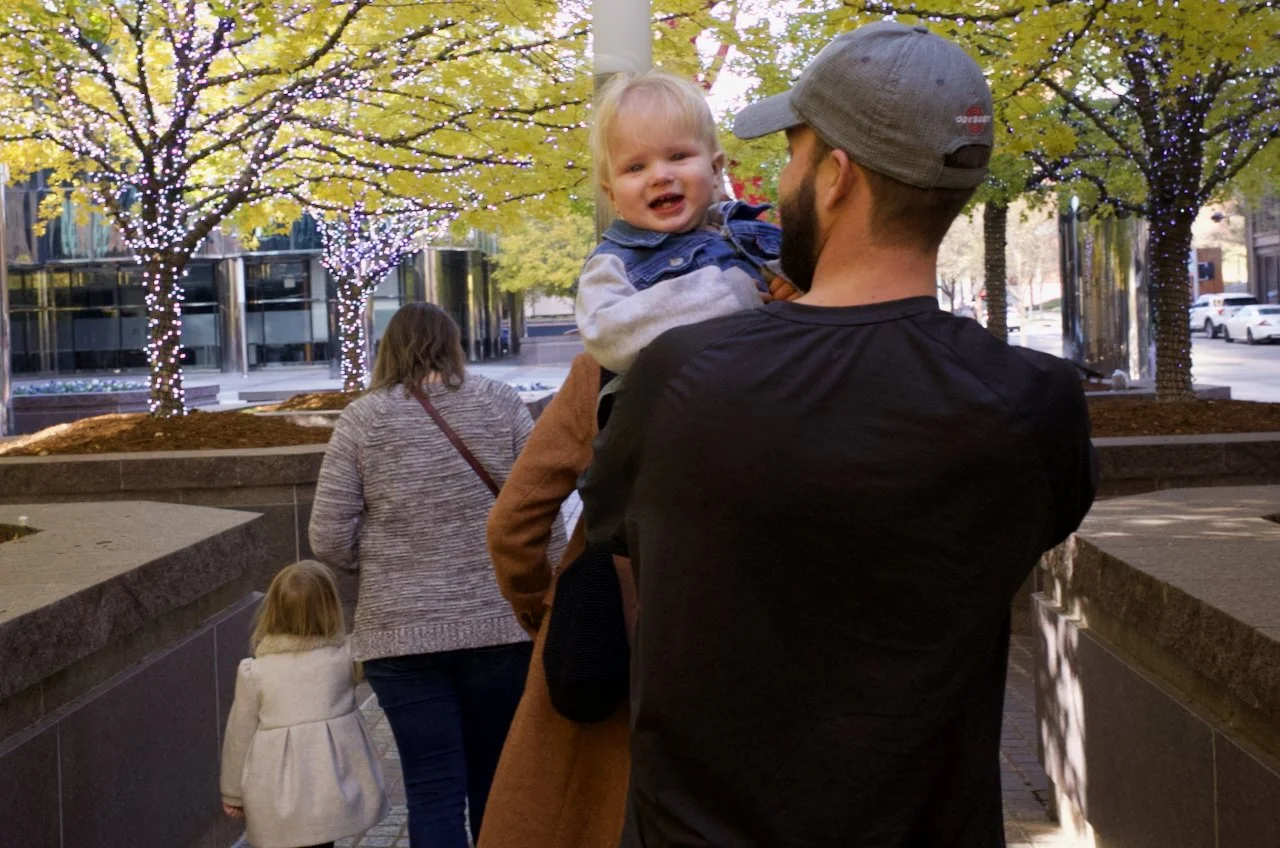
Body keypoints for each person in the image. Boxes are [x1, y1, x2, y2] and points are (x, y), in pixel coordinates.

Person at [581, 21, 1098, 847]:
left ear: (835, 178)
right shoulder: (1036, 404)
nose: (772, 180)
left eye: (789, 155)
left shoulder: (681, 377)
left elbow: (609, 535)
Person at [309, 302, 536, 848]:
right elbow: (539, 508)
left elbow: (327, 533)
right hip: (499, 627)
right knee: (495, 780)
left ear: (387, 350)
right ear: (453, 344)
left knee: (432, 787)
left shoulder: (362, 419)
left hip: (399, 634)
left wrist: (393, 564)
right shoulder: (502, 403)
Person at [477, 352, 636, 848]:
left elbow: (512, 525)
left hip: (615, 629)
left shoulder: (612, 361)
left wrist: (540, 612)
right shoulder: (799, 346)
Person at [576, 69, 789, 376]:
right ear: (612, 196)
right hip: (685, 409)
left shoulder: (757, 234)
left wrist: (795, 292)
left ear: (715, 170)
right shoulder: (614, 263)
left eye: (677, 156)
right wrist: (728, 292)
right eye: (636, 167)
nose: (660, 176)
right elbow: (606, 335)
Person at [220, 561, 388, 848]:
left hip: (275, 790)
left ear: (272, 610)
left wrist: (233, 792)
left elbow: (240, 735)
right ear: (330, 608)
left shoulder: (256, 671)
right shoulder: (344, 658)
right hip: (329, 790)